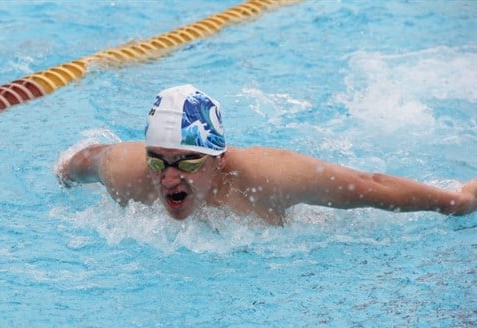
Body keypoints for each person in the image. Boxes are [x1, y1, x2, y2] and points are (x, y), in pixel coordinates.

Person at [56, 84, 476, 225]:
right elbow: (84, 160)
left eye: (186, 162)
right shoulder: (126, 170)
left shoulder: (268, 178)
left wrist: (456, 202)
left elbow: (369, 186)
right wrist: (62, 173)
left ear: (218, 158)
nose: (168, 179)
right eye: (159, 160)